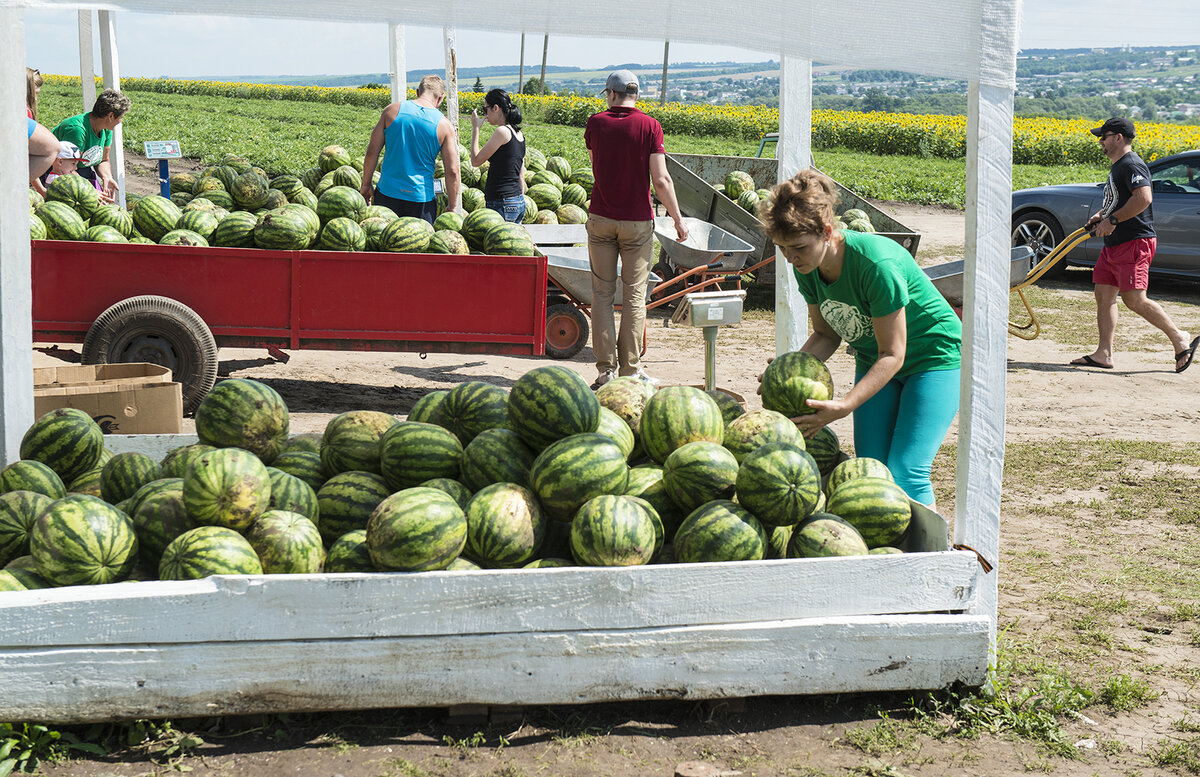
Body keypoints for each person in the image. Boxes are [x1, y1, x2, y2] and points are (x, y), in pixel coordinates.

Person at [758, 169, 962, 510]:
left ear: (827, 232)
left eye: (797, 248)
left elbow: (893, 354)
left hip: (935, 358)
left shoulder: (876, 264)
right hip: (875, 357)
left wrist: (845, 405)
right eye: (782, 248)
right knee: (871, 470)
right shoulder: (807, 267)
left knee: (907, 471)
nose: (790, 259)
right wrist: (785, 371)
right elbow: (826, 334)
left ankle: (926, 545)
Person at [584, 69, 689, 389]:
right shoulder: (650, 126)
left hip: (601, 218)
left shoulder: (595, 123)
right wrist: (678, 218)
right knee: (633, 296)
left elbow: (596, 164)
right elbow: (661, 179)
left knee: (601, 295)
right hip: (637, 222)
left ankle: (605, 372)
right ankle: (630, 371)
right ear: (636, 95)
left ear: (610, 94)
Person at [1069, 117, 1198, 373]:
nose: (1100, 141)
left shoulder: (1131, 164)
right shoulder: (1118, 166)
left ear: (1118, 138)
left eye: (1104, 137)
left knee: (1135, 299)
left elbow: (1143, 198)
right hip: (1114, 243)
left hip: (1134, 242)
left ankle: (1179, 338)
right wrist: (1102, 216)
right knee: (1103, 294)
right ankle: (1104, 353)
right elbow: (1120, 199)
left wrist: (1113, 220)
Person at [361, 74, 461, 224]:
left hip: (387, 194)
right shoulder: (445, 126)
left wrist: (366, 184)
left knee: (383, 237)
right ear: (441, 98)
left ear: (417, 92)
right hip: (421, 200)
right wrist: (452, 206)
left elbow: (371, 152)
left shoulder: (391, 111)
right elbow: (452, 171)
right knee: (418, 238)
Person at [51, 88, 131, 204]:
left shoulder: (106, 129)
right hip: (59, 174)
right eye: (121, 118)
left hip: (80, 173)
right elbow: (67, 167)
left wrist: (107, 177)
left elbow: (103, 160)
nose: (120, 122)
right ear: (110, 116)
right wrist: (89, 190)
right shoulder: (77, 130)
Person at [469, 88, 526, 222]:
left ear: (495, 108)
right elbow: (521, 174)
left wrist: (476, 129)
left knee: (498, 237)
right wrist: (518, 200)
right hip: (517, 201)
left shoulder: (502, 132)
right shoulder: (519, 134)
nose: (485, 115)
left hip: (502, 203)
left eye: (486, 109)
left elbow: (475, 161)